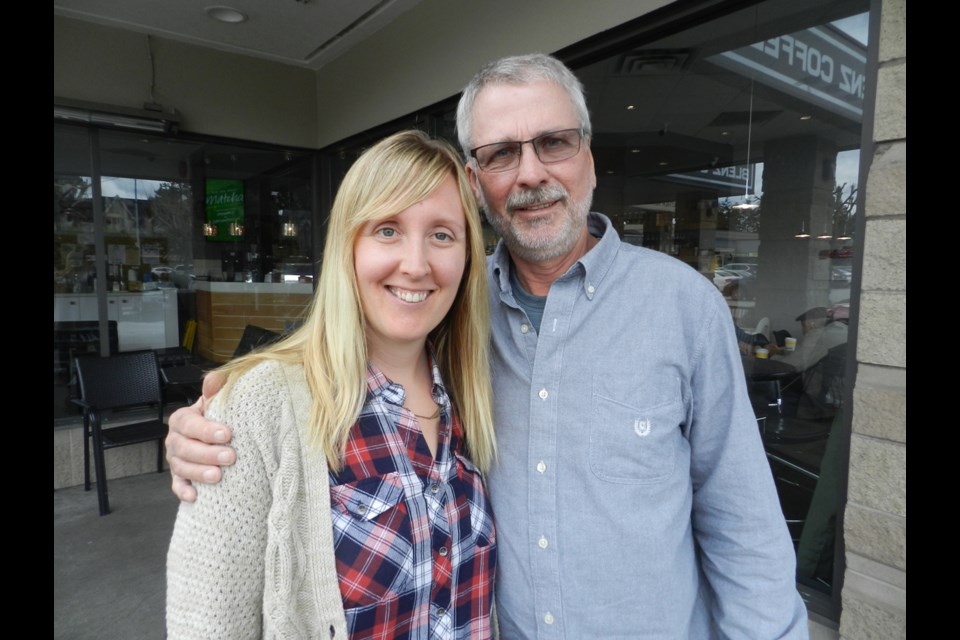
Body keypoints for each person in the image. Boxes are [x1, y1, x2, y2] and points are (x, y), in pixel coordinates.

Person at [166, 54, 809, 638]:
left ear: (587, 155)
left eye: (554, 142)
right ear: (477, 180)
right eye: (502, 153)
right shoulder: (456, 329)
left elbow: (743, 525)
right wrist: (213, 431)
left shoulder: (683, 306)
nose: (531, 173)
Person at [166, 130, 498, 639]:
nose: (416, 264)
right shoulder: (260, 402)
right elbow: (205, 622)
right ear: (348, 246)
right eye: (387, 230)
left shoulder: (473, 396)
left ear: (468, 257)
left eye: (442, 234)